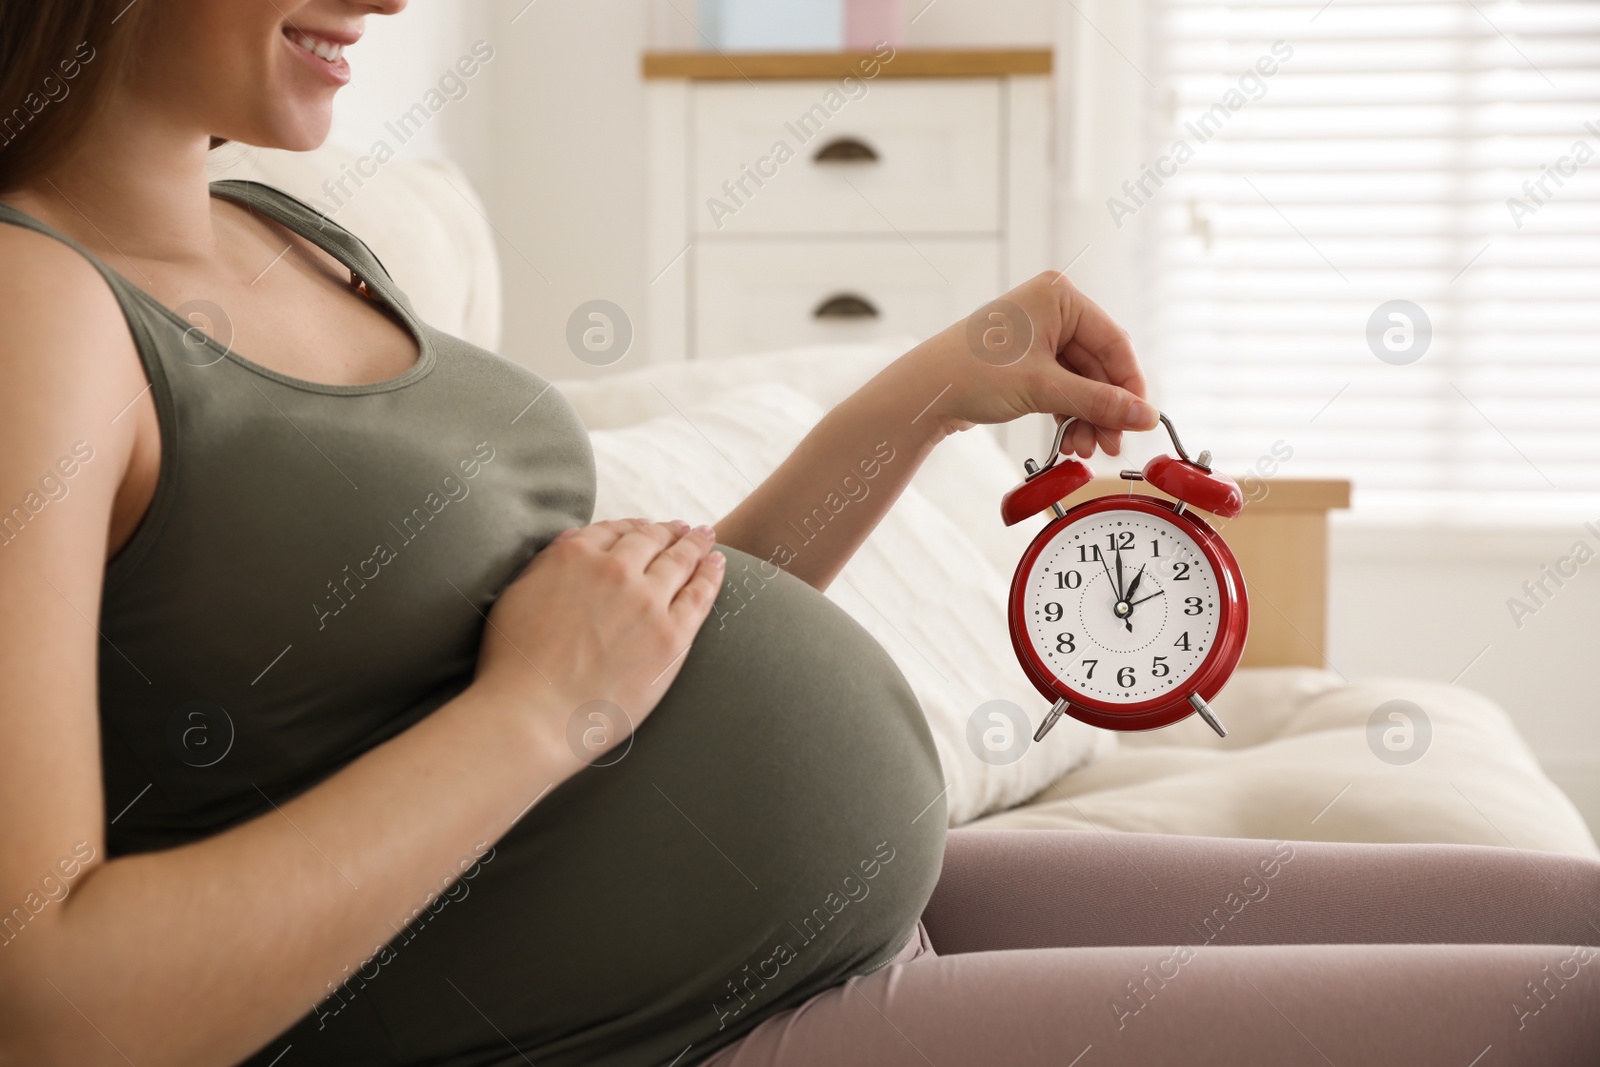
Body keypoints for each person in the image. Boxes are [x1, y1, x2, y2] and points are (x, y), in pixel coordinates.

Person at [0, 3, 1593, 1065]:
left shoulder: (295, 229)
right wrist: (538, 711)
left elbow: (651, 641)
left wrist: (930, 392)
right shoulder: (34, 313)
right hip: (688, 1028)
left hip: (850, 912)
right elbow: (53, 998)